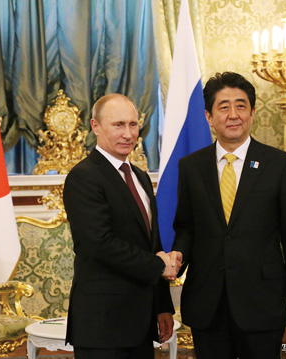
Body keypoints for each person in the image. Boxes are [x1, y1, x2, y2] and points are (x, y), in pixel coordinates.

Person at [169, 72, 286, 359]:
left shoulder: (280, 164)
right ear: (210, 117)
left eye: (241, 105)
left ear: (252, 112)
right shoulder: (190, 167)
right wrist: (177, 257)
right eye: (223, 107)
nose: (233, 114)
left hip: (262, 300)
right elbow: (186, 227)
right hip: (207, 301)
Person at [63, 93, 176, 359]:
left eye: (133, 125)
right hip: (102, 323)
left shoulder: (140, 177)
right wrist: (159, 266)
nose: (128, 134)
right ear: (95, 126)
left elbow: (153, 244)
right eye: (118, 125)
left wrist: (163, 306)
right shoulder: (83, 177)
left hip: (141, 321)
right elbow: (99, 244)